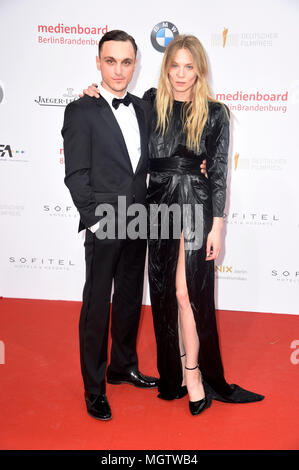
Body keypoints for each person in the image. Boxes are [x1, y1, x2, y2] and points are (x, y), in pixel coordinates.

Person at [83, 34, 264, 417]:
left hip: (196, 204)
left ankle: (195, 375)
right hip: (158, 205)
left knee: (186, 293)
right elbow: (120, 118)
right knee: (165, 293)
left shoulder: (216, 113)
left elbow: (217, 175)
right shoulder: (151, 104)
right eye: (174, 66)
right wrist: (93, 94)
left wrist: (218, 227)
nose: (181, 74)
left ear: (199, 70)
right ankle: (178, 374)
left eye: (189, 67)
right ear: (166, 68)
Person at [62, 30, 162, 421]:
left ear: (136, 64)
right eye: (110, 61)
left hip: (141, 220)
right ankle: (94, 387)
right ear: (98, 62)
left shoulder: (144, 108)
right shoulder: (80, 110)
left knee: (128, 300)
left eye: (126, 62)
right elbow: (76, 175)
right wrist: (96, 221)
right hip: (105, 223)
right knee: (97, 304)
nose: (118, 70)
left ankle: (123, 366)